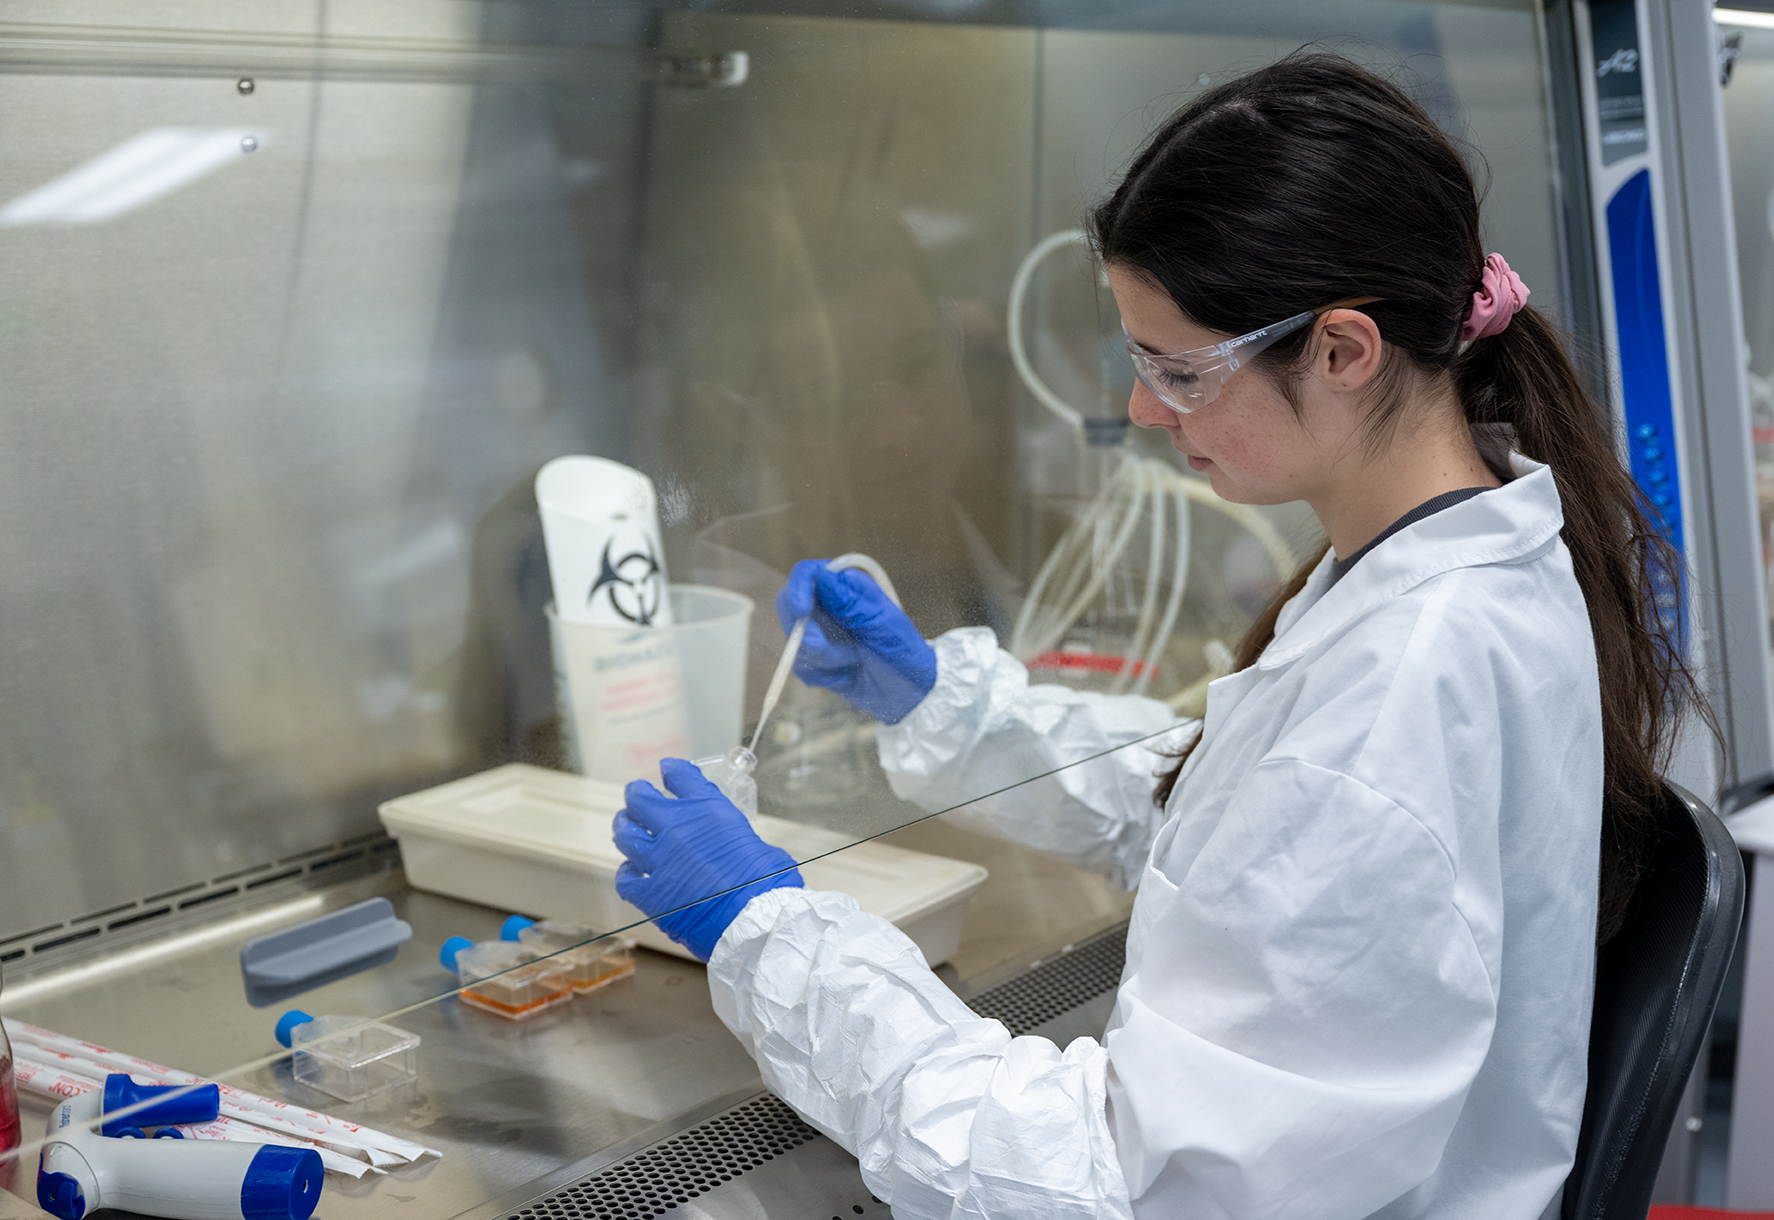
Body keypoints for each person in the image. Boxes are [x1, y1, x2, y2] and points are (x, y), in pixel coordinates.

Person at [611, 54, 1701, 1220]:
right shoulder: (1464, 545)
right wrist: (947, 708)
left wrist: (772, 935)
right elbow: (1246, 821)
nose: (1141, 410)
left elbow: (1105, 1185)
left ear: (1341, 349)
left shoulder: (1400, 692)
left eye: (1179, 370)